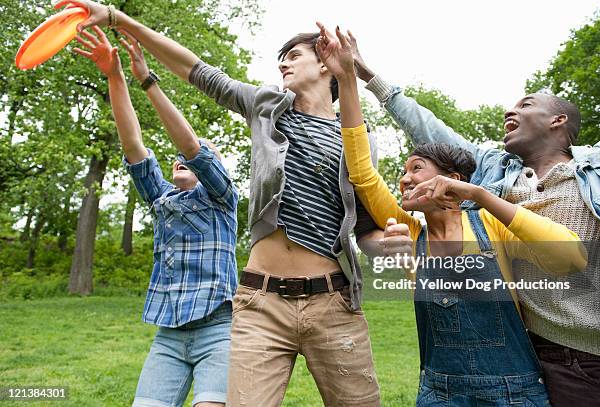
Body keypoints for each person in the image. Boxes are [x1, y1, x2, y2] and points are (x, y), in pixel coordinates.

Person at [56, 1, 383, 405]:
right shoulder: (266, 109)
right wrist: (119, 19)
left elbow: (366, 227)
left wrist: (395, 242)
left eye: (294, 56)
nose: (282, 65)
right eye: (280, 59)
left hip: (332, 301)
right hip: (261, 303)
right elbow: (196, 70)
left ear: (324, 66)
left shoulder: (352, 136)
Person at [315, 23, 587, 406]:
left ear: (453, 180)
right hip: (439, 393)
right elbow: (360, 169)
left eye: (417, 168)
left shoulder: (491, 222)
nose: (404, 179)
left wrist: (479, 195)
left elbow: (571, 256)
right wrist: (347, 79)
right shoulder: (411, 235)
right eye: (404, 170)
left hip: (515, 392)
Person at [73, 26, 238, 407]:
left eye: (195, 158)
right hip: (168, 335)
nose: (181, 158)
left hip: (220, 330)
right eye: (176, 159)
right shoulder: (161, 197)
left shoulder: (221, 198)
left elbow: (190, 145)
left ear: (211, 166)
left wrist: (147, 80)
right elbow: (132, 143)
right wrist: (115, 76)